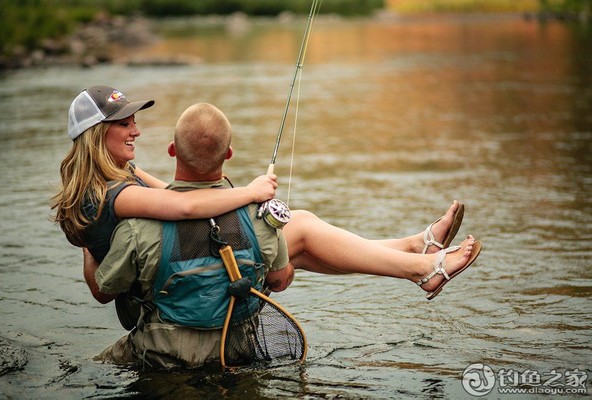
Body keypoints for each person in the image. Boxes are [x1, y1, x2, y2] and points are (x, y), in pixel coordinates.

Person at [85, 103, 482, 369]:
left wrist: (89, 242)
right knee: (301, 234)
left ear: (172, 151)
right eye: (125, 123)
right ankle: (419, 262)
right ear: (229, 155)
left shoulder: (130, 216)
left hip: (163, 343)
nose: (134, 129)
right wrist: (256, 202)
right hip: (231, 339)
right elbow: (275, 278)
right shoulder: (256, 219)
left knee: (302, 235)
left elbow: (109, 284)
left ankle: (415, 251)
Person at [51, 85, 278, 265]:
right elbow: (184, 205)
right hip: (152, 290)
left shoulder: (121, 171)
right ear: (96, 135)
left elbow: (172, 193)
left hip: (166, 266)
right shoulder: (109, 194)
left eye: (134, 122)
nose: (136, 132)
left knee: (300, 225)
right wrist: (251, 192)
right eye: (124, 124)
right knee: (300, 226)